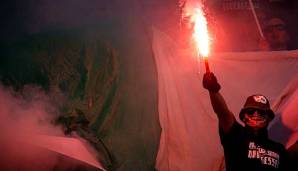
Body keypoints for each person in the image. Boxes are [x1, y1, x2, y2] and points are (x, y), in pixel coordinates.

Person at [202, 72, 289, 171]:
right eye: (251, 111)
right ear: (243, 117)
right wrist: (213, 90)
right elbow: (223, 113)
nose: (256, 114)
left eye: (261, 112)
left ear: (269, 118)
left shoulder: (280, 150)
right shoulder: (236, 135)